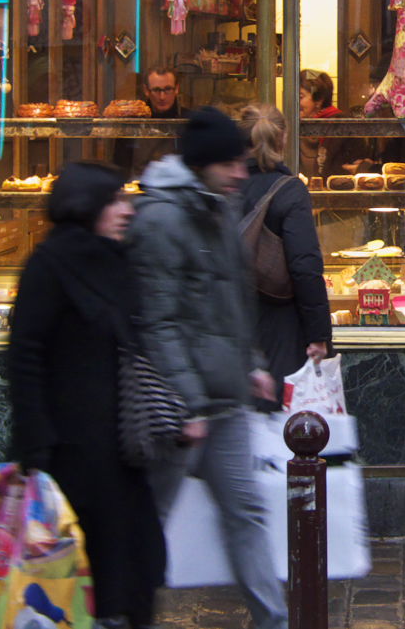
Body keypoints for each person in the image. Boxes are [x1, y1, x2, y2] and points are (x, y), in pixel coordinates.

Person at [129, 107, 286, 629]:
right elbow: (159, 319)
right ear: (203, 164)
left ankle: (273, 621)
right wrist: (189, 402)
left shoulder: (218, 204)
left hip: (227, 400)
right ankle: (121, 615)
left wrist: (252, 363)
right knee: (148, 525)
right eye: (231, 164)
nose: (243, 172)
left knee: (246, 514)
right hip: (182, 410)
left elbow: (234, 299)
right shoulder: (160, 217)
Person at [7, 162, 165, 629]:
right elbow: (25, 354)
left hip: (120, 444)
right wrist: (36, 444)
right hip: (68, 453)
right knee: (79, 571)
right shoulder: (49, 266)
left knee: (135, 565)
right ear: (88, 207)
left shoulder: (116, 259)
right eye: (114, 200)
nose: (125, 210)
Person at [237, 104, 333, 393]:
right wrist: (318, 334)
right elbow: (305, 266)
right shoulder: (289, 190)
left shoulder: (225, 185)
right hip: (280, 323)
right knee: (281, 416)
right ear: (283, 138)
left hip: (233, 319)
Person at [115, 68, 190, 175]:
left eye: (168, 89)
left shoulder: (189, 120)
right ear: (146, 90)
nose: (162, 97)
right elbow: (120, 167)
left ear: (177, 89)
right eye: (156, 90)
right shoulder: (131, 123)